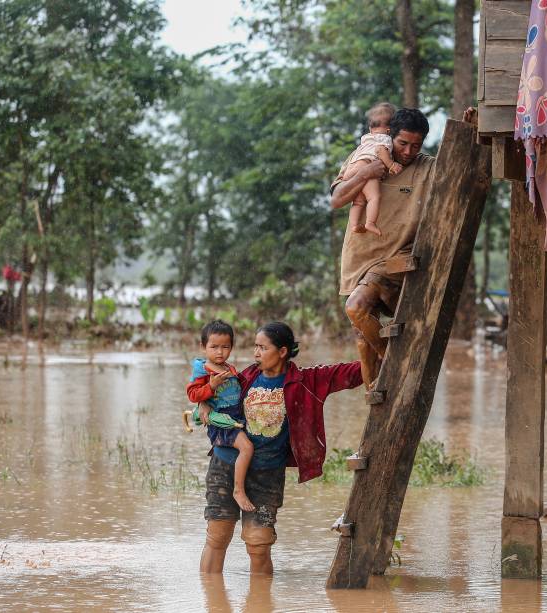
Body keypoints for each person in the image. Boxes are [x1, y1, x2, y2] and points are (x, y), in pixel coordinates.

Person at [199, 322, 363, 575]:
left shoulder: (305, 381)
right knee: (217, 537)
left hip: (267, 473)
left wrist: (377, 352)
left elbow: (351, 373)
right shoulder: (245, 377)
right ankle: (211, 598)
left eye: (263, 348)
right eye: (255, 347)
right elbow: (209, 397)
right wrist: (204, 407)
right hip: (225, 465)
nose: (256, 353)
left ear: (283, 351)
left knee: (258, 542)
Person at [330, 107, 435, 389]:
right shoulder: (366, 156)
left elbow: (462, 167)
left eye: (416, 145)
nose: (409, 151)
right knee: (361, 335)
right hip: (359, 258)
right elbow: (337, 199)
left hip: (393, 259)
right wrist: (367, 171)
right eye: (403, 143)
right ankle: (373, 392)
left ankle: (393, 364)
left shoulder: (426, 167)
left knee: (356, 308)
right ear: (390, 136)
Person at [186, 320, 255, 512]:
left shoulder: (229, 368)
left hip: (237, 417)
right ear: (203, 347)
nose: (220, 352)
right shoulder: (203, 371)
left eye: (225, 347)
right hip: (222, 423)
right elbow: (192, 394)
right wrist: (211, 388)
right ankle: (238, 490)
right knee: (247, 448)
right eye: (214, 347)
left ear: (232, 347)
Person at [340, 102, 402, 236]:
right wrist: (391, 165)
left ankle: (355, 225)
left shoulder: (366, 138)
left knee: (358, 201)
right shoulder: (385, 139)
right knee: (374, 197)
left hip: (354, 166)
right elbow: (380, 151)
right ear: (390, 129)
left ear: (370, 128)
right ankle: (370, 223)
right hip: (368, 167)